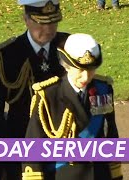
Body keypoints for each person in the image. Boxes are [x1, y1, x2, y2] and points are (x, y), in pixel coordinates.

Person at [0, 0, 70, 179]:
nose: (49, 29)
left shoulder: (68, 47)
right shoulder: (7, 55)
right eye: (41, 23)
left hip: (64, 147)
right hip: (22, 146)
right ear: (26, 19)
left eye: (53, 22)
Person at [21, 33, 123, 180]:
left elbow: (111, 134)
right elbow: (32, 148)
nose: (86, 77)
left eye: (91, 70)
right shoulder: (48, 96)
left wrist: (116, 174)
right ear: (66, 66)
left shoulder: (104, 89)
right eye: (80, 70)